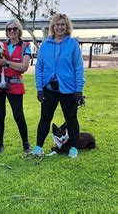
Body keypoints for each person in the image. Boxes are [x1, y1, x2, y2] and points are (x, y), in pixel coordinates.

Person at [32, 13, 85, 158]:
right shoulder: (45, 45)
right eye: (57, 24)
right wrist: (39, 88)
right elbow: (39, 68)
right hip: (49, 89)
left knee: (71, 119)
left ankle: (73, 148)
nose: (60, 27)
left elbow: (78, 67)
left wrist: (79, 89)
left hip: (68, 89)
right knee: (45, 118)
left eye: (63, 24)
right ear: (53, 27)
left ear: (66, 26)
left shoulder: (72, 44)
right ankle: (38, 147)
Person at [0, 19, 31, 154]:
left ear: (19, 30)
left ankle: (26, 144)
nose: (12, 31)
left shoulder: (25, 46)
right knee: (0, 115)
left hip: (15, 86)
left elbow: (24, 67)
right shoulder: (0, 45)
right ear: (6, 31)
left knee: (18, 115)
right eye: (9, 29)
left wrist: (6, 63)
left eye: (14, 29)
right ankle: (0, 144)